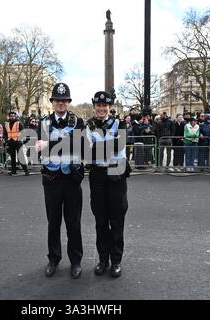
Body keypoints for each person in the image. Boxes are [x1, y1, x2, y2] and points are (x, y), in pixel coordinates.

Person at [36, 83, 85, 279]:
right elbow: (37, 147)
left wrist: (50, 144)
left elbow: (78, 144)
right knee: (53, 222)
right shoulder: (43, 123)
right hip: (51, 179)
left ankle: (76, 261)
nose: (61, 103)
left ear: (68, 102)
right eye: (58, 100)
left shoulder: (77, 122)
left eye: (64, 100)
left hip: (72, 179)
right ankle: (53, 258)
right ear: (53, 102)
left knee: (73, 223)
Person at [86, 91, 129, 278]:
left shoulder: (121, 124)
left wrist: (97, 149)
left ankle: (116, 261)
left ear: (110, 107)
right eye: (98, 106)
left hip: (115, 174)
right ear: (94, 107)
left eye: (105, 106)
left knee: (117, 220)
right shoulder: (88, 126)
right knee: (100, 221)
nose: (101, 109)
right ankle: (103, 260)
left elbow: (118, 147)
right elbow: (87, 153)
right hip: (97, 175)